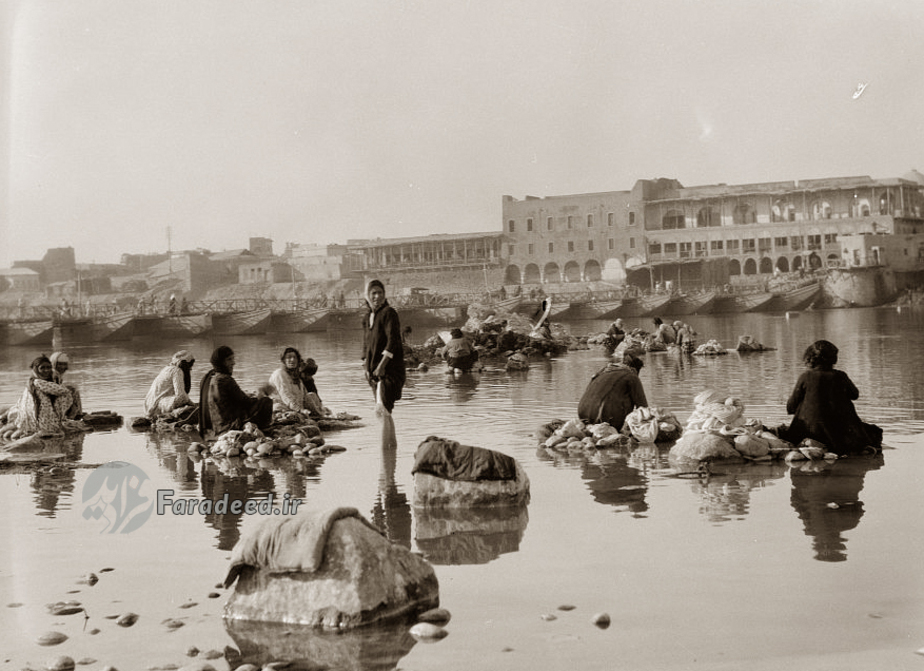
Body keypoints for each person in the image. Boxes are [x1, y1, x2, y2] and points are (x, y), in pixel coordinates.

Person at [782, 340, 882, 455]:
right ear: (833, 358)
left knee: (803, 401)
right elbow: (855, 395)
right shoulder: (841, 376)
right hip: (839, 433)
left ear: (810, 358)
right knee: (872, 431)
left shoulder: (806, 376)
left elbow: (791, 407)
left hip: (809, 431)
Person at [198, 345, 273, 437]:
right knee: (266, 402)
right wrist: (262, 394)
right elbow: (246, 403)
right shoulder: (225, 379)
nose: (233, 363)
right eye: (229, 360)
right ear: (221, 362)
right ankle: (265, 430)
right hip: (228, 427)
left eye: (233, 359)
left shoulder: (207, 378)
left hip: (211, 428)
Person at [362, 279, 405, 419]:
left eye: (380, 293)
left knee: (383, 409)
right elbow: (366, 344)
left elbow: (393, 341)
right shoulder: (367, 317)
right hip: (373, 371)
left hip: (389, 370)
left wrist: (382, 366)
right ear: (367, 295)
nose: (377, 296)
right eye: (373, 293)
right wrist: (366, 367)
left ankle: (386, 435)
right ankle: (387, 434)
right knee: (382, 410)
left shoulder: (389, 313)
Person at [11, 356, 79, 436]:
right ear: (36, 369)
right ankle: (60, 420)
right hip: (42, 424)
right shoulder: (38, 382)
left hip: (32, 423)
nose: (46, 370)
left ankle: (59, 419)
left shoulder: (30, 381)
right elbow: (64, 391)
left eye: (48, 367)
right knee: (69, 392)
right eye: (42, 368)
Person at [577, 354, 648, 430]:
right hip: (606, 418)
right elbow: (643, 407)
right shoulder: (631, 376)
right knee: (637, 405)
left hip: (582, 415)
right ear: (635, 369)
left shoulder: (602, 372)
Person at [269, 347, 327, 417]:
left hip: (296, 410)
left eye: (295, 357)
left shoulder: (297, 378)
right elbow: (286, 396)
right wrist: (300, 410)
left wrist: (320, 409)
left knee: (312, 396)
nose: (292, 360)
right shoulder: (279, 374)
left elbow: (305, 397)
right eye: (289, 357)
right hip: (282, 410)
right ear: (283, 360)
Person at [144, 350, 196, 418]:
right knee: (183, 400)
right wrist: (193, 405)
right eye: (190, 364)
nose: (191, 367)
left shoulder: (167, 368)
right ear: (185, 363)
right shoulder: (177, 371)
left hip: (149, 406)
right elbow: (181, 396)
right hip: (157, 406)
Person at [50, 351, 82, 419]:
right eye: (60, 364)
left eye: (64, 364)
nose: (62, 367)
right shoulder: (53, 374)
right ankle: (75, 415)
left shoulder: (57, 375)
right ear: (53, 363)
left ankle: (75, 414)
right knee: (73, 391)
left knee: (72, 389)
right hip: (51, 404)